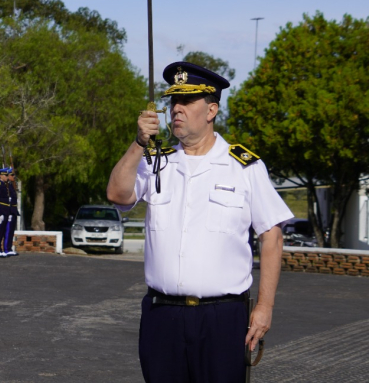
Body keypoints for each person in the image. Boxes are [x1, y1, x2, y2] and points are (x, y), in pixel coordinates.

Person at [106, 62, 292, 383]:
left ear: (211, 110)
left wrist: (265, 307)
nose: (176, 108)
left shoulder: (244, 167)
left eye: (187, 101)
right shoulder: (156, 162)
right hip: (162, 315)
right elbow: (117, 195)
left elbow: (271, 236)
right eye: (173, 101)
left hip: (222, 318)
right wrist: (138, 144)